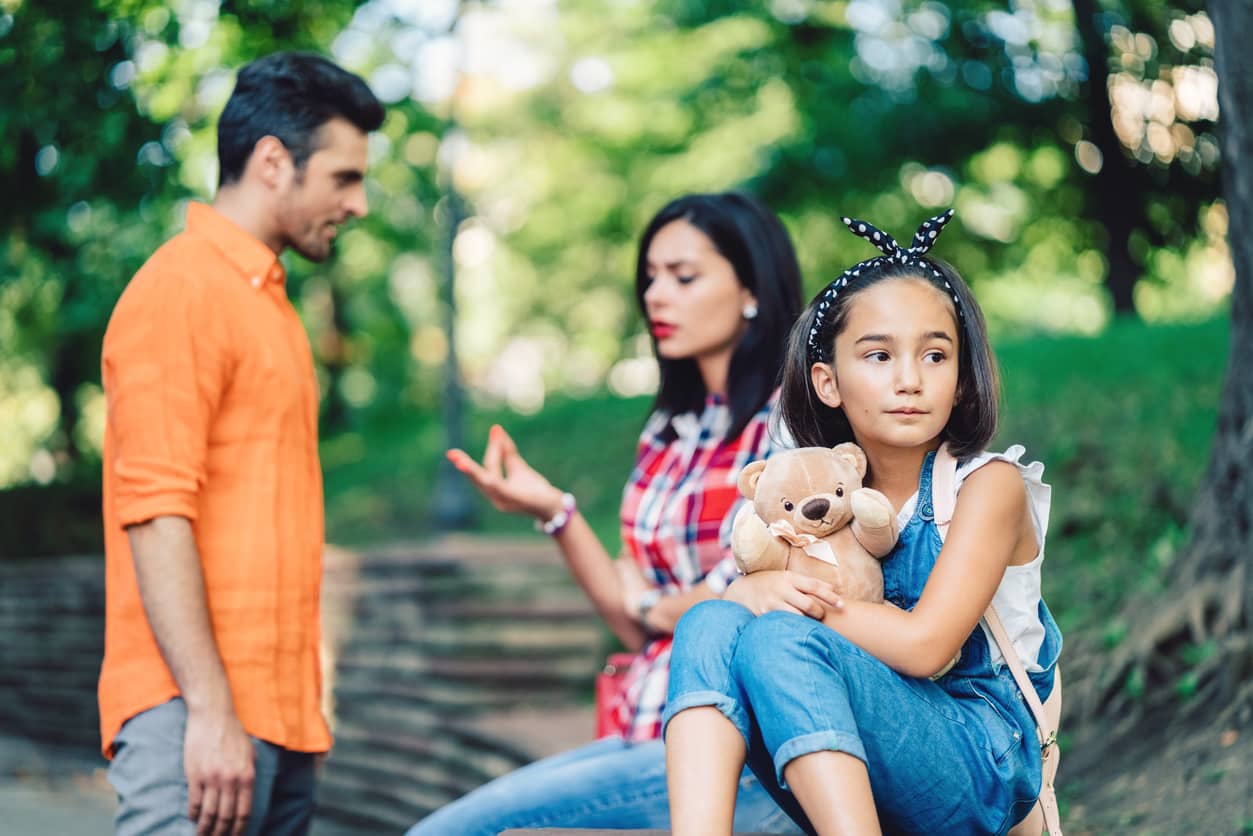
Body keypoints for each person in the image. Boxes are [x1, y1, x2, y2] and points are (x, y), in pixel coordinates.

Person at [410, 192, 805, 835]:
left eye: (683, 276)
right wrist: (556, 514)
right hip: (640, 726)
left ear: (751, 290)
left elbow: (754, 596)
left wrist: (657, 604)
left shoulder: (789, 427)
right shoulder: (670, 431)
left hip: (734, 748)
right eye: (650, 277)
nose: (655, 295)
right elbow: (633, 625)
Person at [663, 210, 1064, 835]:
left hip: (980, 760)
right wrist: (750, 592)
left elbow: (928, 647)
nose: (909, 379)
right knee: (711, 619)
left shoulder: (988, 487)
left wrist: (787, 602)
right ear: (828, 382)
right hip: (864, 745)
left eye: (936, 355)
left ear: (960, 379)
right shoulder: (815, 493)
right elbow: (745, 610)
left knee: (777, 636)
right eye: (878, 355)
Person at [98, 52, 384, 836]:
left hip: (280, 723)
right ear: (271, 162)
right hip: (193, 719)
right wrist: (211, 712)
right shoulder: (181, 290)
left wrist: (299, 708)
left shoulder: (272, 308)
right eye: (343, 178)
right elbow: (155, 512)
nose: (357, 204)